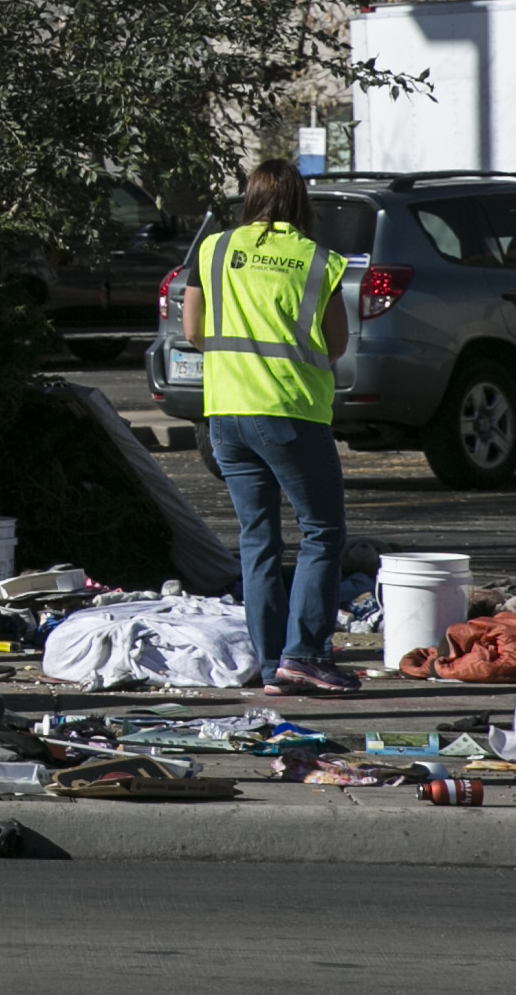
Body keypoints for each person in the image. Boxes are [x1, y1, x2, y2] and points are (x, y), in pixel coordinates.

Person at [182, 159, 357, 696]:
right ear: (300, 202)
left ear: (249, 198)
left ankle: (268, 662)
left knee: (257, 539)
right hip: (289, 412)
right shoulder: (316, 260)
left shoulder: (213, 249)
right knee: (322, 532)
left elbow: (192, 330)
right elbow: (335, 343)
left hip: (226, 414)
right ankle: (304, 655)